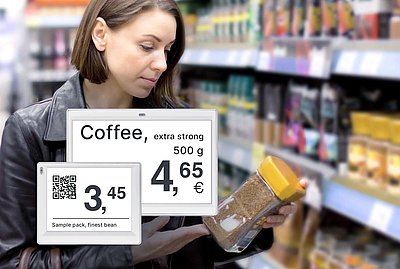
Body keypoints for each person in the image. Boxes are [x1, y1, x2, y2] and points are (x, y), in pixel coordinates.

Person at [0, 0, 308, 268]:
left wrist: (251, 217)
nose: (162, 63)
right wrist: (126, 255)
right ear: (100, 34)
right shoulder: (31, 132)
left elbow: (195, 244)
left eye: (168, 49)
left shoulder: (180, 124)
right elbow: (13, 261)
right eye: (147, 46)